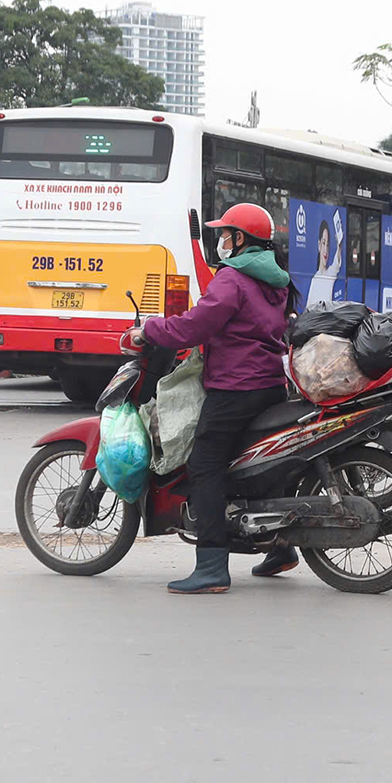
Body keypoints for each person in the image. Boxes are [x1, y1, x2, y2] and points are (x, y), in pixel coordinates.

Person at [129, 203, 293, 595]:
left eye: (225, 234)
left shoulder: (232, 279)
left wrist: (150, 329)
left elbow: (194, 325)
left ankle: (211, 565)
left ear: (240, 239)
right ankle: (280, 548)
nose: (221, 241)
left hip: (236, 386)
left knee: (204, 463)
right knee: (258, 464)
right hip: (270, 383)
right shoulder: (276, 280)